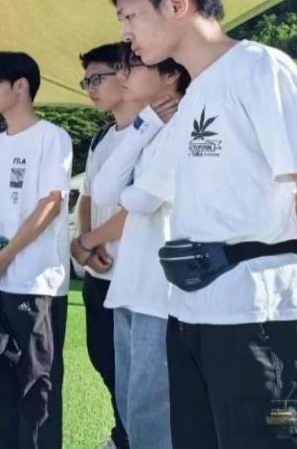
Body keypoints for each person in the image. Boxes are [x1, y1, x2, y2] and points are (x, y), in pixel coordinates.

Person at [110, 0, 297, 449]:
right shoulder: (196, 95)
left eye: (130, 16)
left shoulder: (259, 66)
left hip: (261, 316)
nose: (126, 33)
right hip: (193, 313)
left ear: (176, 4)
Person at [87, 49, 190, 449]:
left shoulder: (185, 124)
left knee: (151, 412)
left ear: (170, 75)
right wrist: (144, 124)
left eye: (131, 67)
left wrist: (129, 192)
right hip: (130, 284)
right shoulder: (149, 126)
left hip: (160, 289)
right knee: (131, 405)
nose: (123, 76)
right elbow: (105, 191)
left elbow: (142, 200)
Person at [0, 51, 72, 449]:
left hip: (35, 282)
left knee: (38, 382)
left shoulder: (52, 137)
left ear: (21, 86)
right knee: (2, 376)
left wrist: (5, 256)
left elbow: (51, 204)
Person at [70, 42, 144, 449]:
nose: (90, 89)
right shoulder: (101, 138)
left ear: (126, 74)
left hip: (137, 278)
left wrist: (87, 241)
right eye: (86, 82)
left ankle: (135, 437)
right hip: (100, 274)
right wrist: (85, 245)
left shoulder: (153, 131)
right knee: (105, 359)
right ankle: (124, 433)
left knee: (143, 372)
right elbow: (87, 197)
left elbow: (139, 208)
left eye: (97, 79)